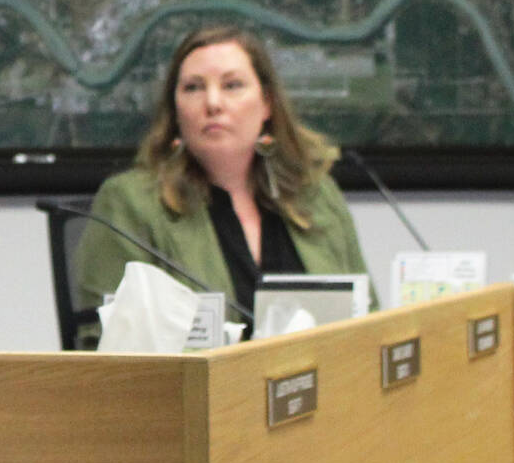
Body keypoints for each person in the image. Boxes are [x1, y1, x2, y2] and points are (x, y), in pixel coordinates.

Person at [74, 25, 369, 343]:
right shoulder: (130, 202)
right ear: (175, 110)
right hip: (196, 392)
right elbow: (103, 344)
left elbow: (369, 320)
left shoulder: (316, 195)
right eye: (193, 88)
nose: (213, 102)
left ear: (267, 103)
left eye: (232, 85)